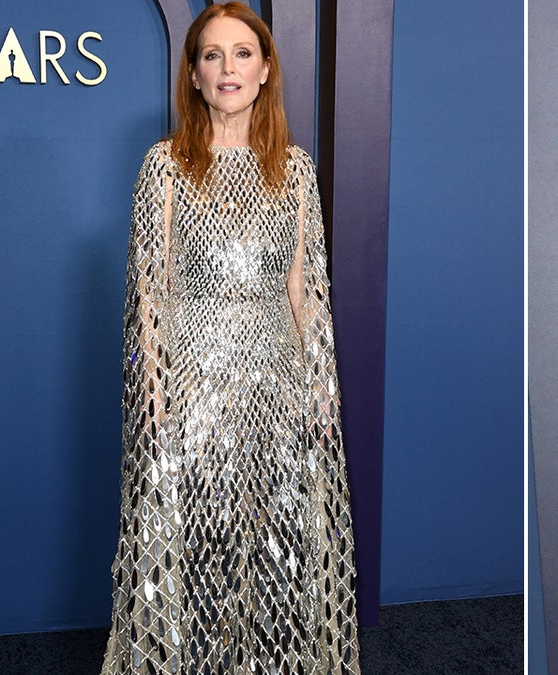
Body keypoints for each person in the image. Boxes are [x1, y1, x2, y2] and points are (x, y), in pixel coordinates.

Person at [101, 3, 359, 672]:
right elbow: (148, 292)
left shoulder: (294, 168)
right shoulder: (165, 165)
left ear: (266, 69)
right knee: (197, 538)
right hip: (192, 376)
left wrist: (321, 391)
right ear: (191, 75)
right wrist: (151, 389)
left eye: (242, 53)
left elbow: (306, 290)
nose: (227, 68)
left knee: (276, 535)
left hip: (277, 377)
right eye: (211, 55)